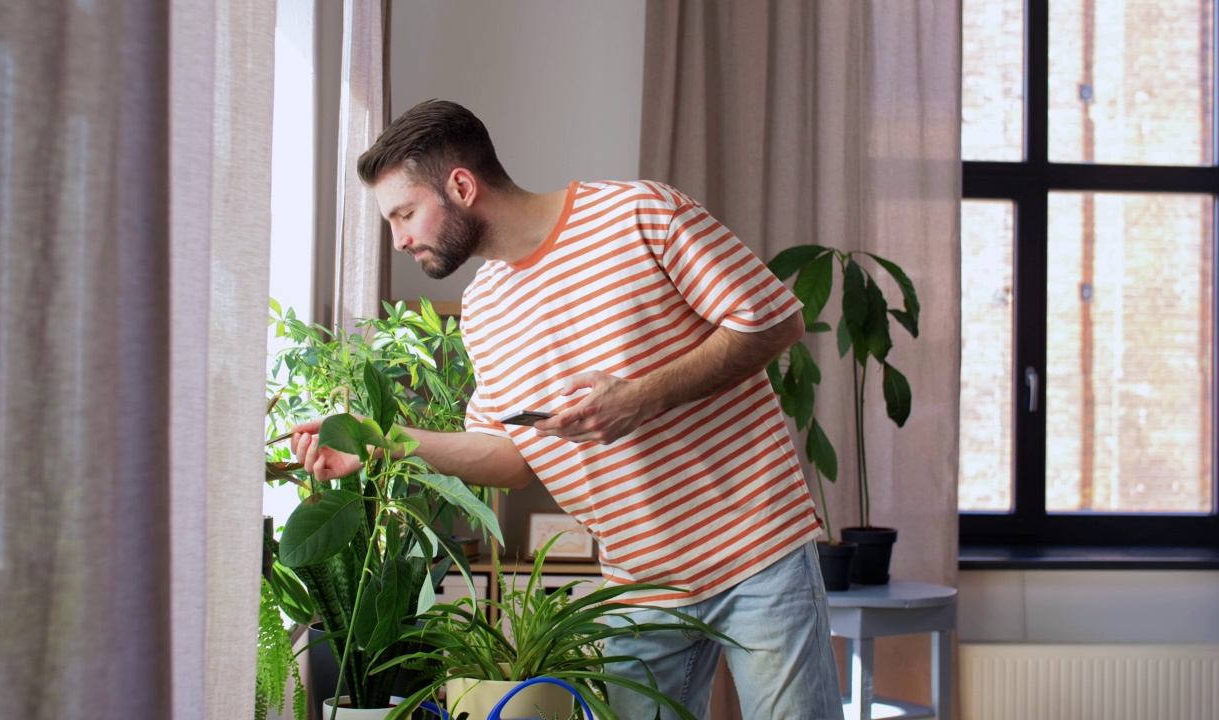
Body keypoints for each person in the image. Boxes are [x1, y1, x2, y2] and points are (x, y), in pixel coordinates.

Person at [292, 99, 844, 720]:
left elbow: (773, 321)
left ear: (462, 187)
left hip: (757, 552)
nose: (399, 239)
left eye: (405, 213)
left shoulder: (641, 213)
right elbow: (511, 458)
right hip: (637, 586)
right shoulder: (485, 309)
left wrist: (639, 397)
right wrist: (381, 442)